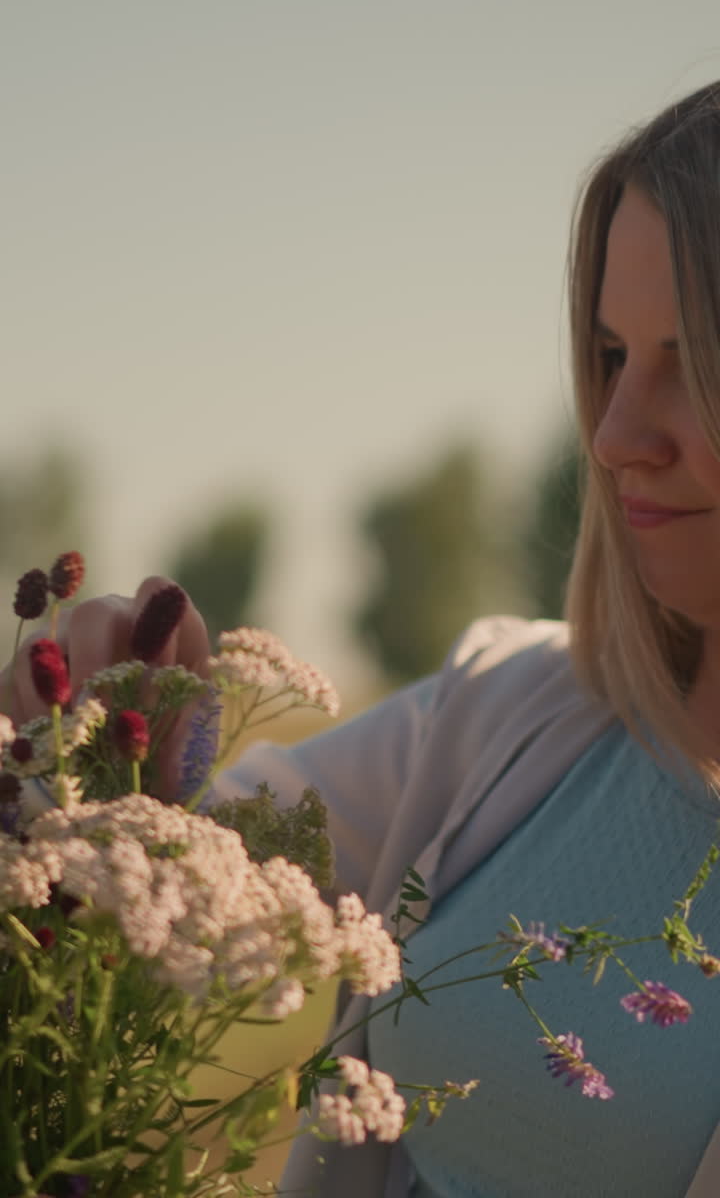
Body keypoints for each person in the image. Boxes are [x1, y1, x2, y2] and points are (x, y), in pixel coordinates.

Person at [8, 81, 720, 1198]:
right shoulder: (505, 718)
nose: (619, 433)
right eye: (613, 353)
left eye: (693, 359)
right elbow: (136, 879)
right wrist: (82, 755)